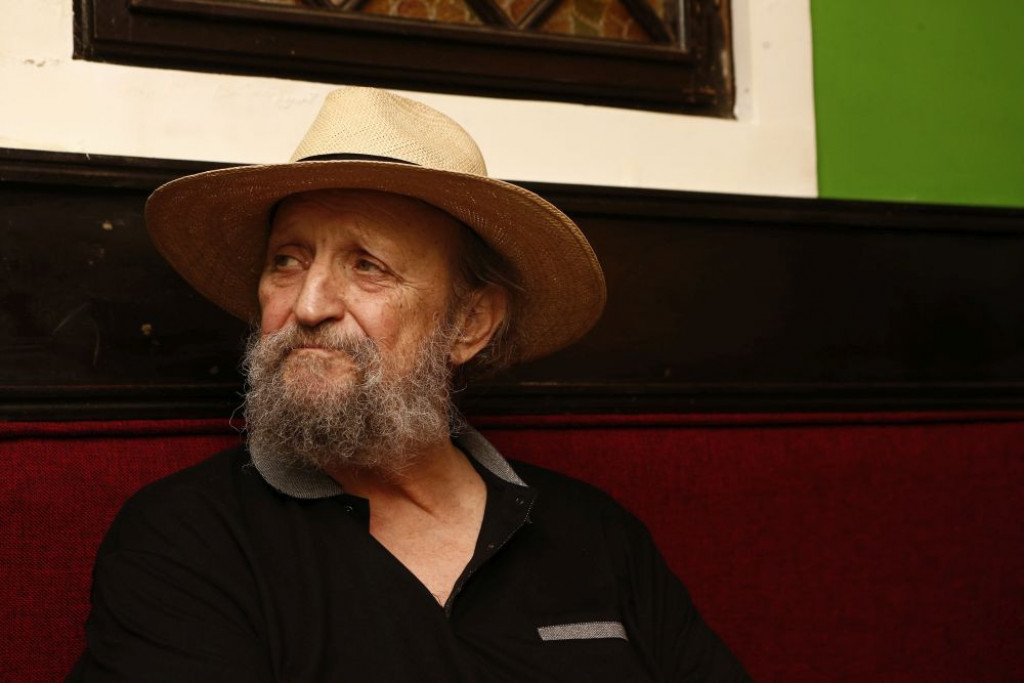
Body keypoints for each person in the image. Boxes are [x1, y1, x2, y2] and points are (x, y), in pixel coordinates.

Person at [70, 87, 749, 681]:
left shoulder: (595, 533)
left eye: (367, 266)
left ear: (470, 323)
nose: (308, 304)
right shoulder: (187, 539)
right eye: (287, 260)